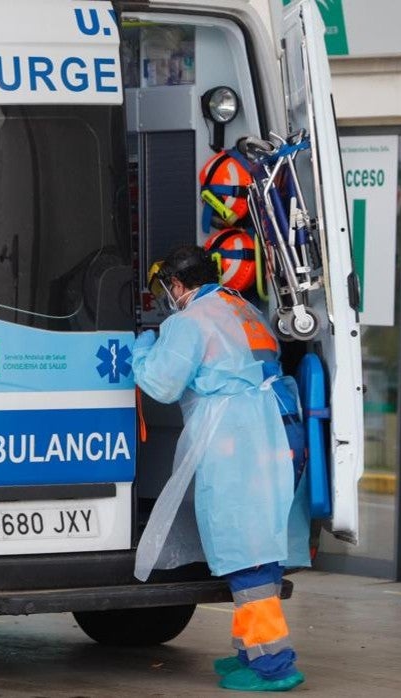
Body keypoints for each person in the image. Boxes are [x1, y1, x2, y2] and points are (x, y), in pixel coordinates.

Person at [132, 245, 306, 692]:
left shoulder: (189, 321)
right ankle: (250, 651)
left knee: (245, 550)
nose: (164, 298)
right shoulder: (241, 306)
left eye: (163, 288)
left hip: (234, 436)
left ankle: (274, 664)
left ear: (175, 283)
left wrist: (141, 349)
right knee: (254, 542)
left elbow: (161, 383)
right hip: (270, 428)